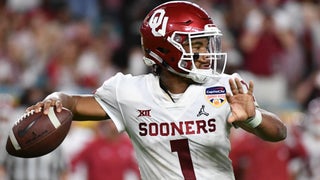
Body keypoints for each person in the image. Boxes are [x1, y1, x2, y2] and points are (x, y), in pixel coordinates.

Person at [26, 1, 287, 179]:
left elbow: (278, 132)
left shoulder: (224, 87)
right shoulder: (129, 92)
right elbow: (72, 103)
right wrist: (54, 98)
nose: (207, 54)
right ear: (164, 49)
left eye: (207, 45)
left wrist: (254, 117)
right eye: (197, 46)